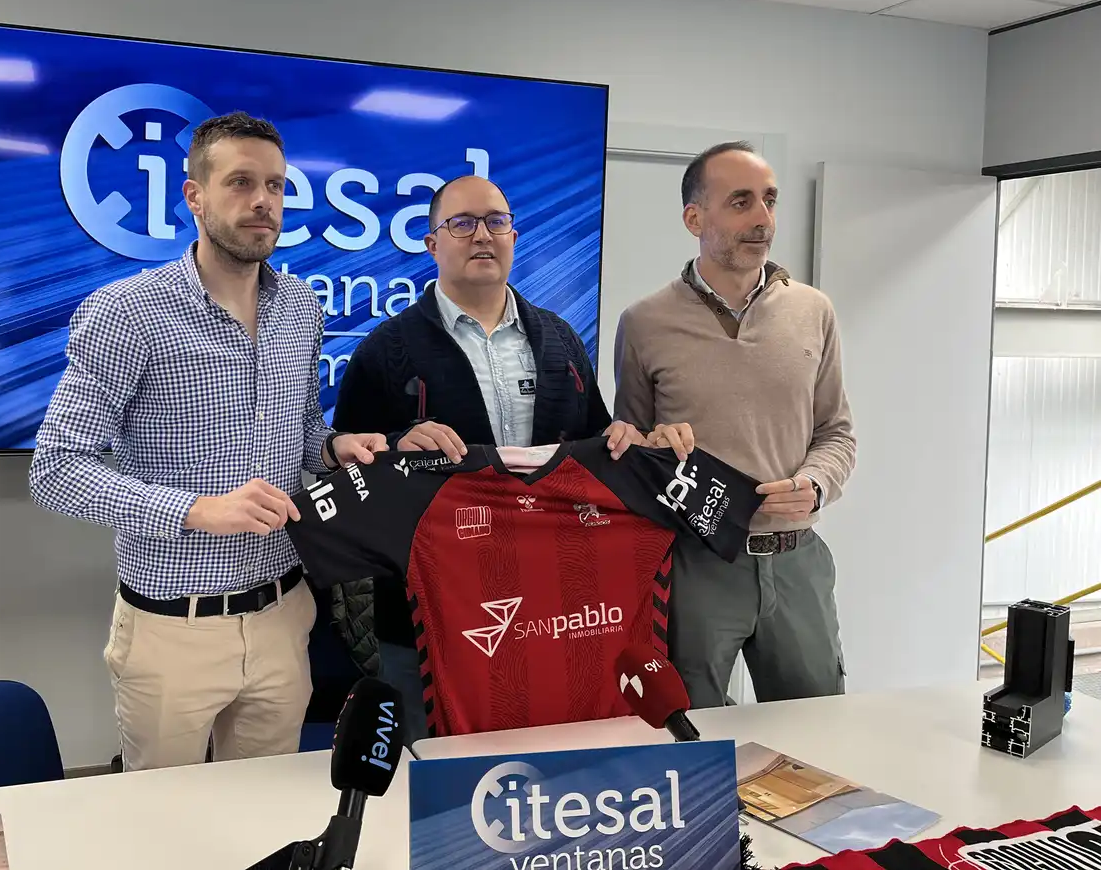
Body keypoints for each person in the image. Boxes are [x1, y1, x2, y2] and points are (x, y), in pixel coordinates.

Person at [30, 112, 386, 770]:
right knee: (164, 819)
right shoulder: (127, 312)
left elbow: (302, 428)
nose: (263, 202)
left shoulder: (301, 307)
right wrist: (196, 510)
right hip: (173, 630)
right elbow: (55, 469)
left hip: (285, 611)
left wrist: (332, 448)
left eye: (276, 186)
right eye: (241, 182)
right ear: (194, 196)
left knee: (264, 808)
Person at [331, 173, 692, 742]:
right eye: (462, 223)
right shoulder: (385, 350)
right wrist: (396, 449)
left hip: (553, 614)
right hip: (432, 621)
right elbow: (348, 471)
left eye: (496, 222)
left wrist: (631, 442)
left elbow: (595, 449)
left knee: (544, 769)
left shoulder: (560, 339)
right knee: (432, 781)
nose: (482, 235)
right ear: (431, 243)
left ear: (514, 237)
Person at [614, 141, 857, 709]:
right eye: (741, 202)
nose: (763, 219)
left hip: (797, 560)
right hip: (694, 565)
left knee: (817, 730)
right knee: (689, 731)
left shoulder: (814, 311)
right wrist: (651, 444)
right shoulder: (644, 323)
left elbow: (836, 432)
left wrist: (817, 483)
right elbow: (627, 451)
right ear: (694, 218)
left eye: (769, 200)